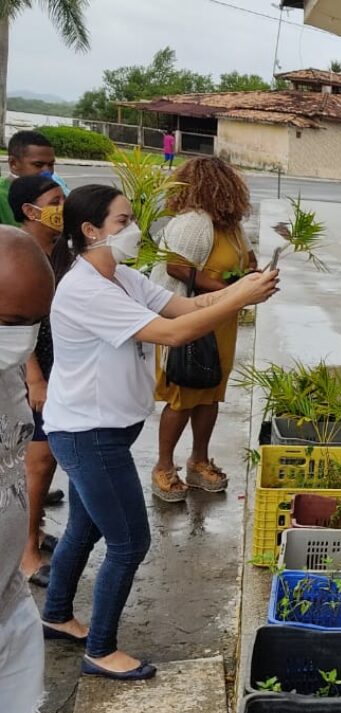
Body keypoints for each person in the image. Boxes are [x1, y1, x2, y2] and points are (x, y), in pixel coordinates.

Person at [41, 185, 279, 680]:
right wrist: (242, 297)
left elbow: (187, 308)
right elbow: (174, 333)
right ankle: (100, 650)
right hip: (90, 435)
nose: (133, 230)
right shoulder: (85, 289)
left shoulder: (120, 277)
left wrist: (242, 288)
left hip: (104, 431)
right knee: (129, 542)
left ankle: (57, 614)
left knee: (85, 527)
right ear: (90, 231)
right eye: (122, 221)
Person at [148, 157, 258, 502]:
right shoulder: (194, 222)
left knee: (210, 393)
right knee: (183, 394)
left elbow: (249, 260)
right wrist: (228, 290)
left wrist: (251, 278)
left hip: (221, 322)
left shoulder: (231, 226)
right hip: (188, 318)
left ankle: (199, 461)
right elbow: (177, 268)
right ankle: (164, 467)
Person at [0, 228, 55, 713]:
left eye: (33, 324)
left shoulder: (8, 367)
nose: (22, 340)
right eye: (12, 322)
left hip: (9, 603)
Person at [10, 175, 66, 587]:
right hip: (31, 371)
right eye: (55, 201)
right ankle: (26, 553)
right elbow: (17, 319)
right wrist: (34, 377)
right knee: (38, 460)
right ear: (30, 211)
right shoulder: (18, 252)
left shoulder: (60, 250)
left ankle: (37, 529)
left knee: (48, 460)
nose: (62, 209)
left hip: (60, 367)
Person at [0, 130, 57, 227]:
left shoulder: (55, 194)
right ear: (13, 163)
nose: (47, 171)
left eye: (51, 164)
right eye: (38, 165)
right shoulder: (2, 198)